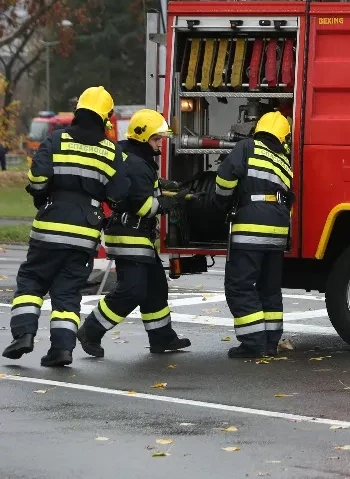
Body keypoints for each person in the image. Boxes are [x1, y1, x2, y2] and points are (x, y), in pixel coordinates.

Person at [3, 87, 124, 367]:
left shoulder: (56, 140)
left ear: (79, 110)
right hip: (84, 235)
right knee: (68, 294)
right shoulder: (110, 150)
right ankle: (62, 350)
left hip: (49, 225)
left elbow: (37, 179)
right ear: (104, 117)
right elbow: (119, 195)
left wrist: (43, 197)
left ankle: (23, 335)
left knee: (32, 281)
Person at [77, 109, 191, 358]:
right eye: (156, 138)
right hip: (131, 236)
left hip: (133, 235)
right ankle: (91, 331)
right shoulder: (139, 163)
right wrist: (170, 203)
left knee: (156, 287)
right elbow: (143, 206)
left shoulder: (129, 155)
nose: (159, 143)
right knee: (132, 291)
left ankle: (162, 337)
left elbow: (137, 190)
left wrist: (162, 186)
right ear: (142, 136)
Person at [215, 111, 293, 358]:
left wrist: (223, 203)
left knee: (240, 286)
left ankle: (252, 343)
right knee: (269, 288)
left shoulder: (247, 147)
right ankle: (270, 343)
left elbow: (225, 179)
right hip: (278, 231)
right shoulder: (283, 160)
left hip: (250, 229)